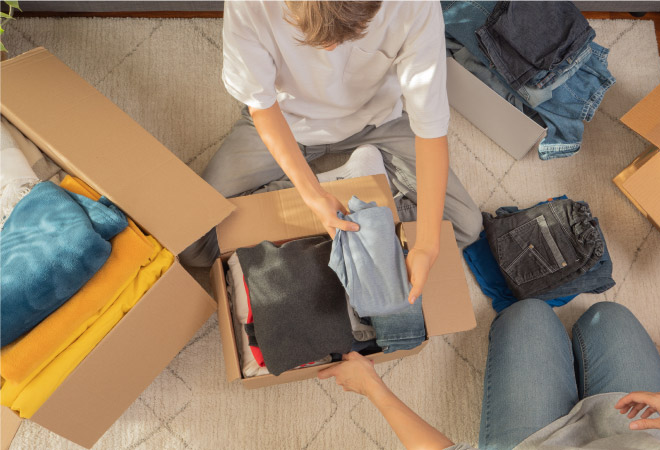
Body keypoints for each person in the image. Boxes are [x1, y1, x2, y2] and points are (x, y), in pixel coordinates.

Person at [180, 1, 482, 302]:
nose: (329, 51)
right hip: (284, 120)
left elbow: (430, 129)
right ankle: (350, 181)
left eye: (348, 37)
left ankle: (356, 188)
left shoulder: (414, 6)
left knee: (465, 226)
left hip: (376, 122)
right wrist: (312, 195)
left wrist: (427, 247)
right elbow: (261, 106)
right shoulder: (249, 5)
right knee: (193, 243)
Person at [318, 300, 660, 449]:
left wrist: (372, 387)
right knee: (609, 314)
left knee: (528, 313)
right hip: (647, 434)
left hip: (538, 443)